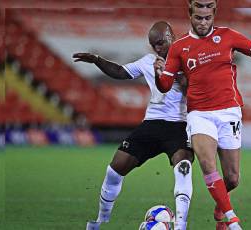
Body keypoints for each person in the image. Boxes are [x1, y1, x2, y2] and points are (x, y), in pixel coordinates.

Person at [154, 1, 251, 230]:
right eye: (198, 18)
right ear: (190, 15)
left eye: (207, 18)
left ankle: (220, 205)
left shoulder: (228, 36)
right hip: (200, 114)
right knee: (207, 163)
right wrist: (158, 73)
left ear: (214, 14)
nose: (203, 23)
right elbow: (165, 85)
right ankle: (232, 219)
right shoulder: (179, 47)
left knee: (232, 178)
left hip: (229, 111)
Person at [73, 21, 194, 230]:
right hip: (152, 124)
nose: (157, 48)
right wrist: (97, 60)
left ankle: (181, 226)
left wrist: (173, 75)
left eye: (160, 43)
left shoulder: (188, 59)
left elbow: (193, 90)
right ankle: (100, 221)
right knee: (114, 169)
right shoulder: (149, 61)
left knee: (183, 168)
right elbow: (120, 72)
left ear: (171, 37)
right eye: (153, 45)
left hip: (180, 125)